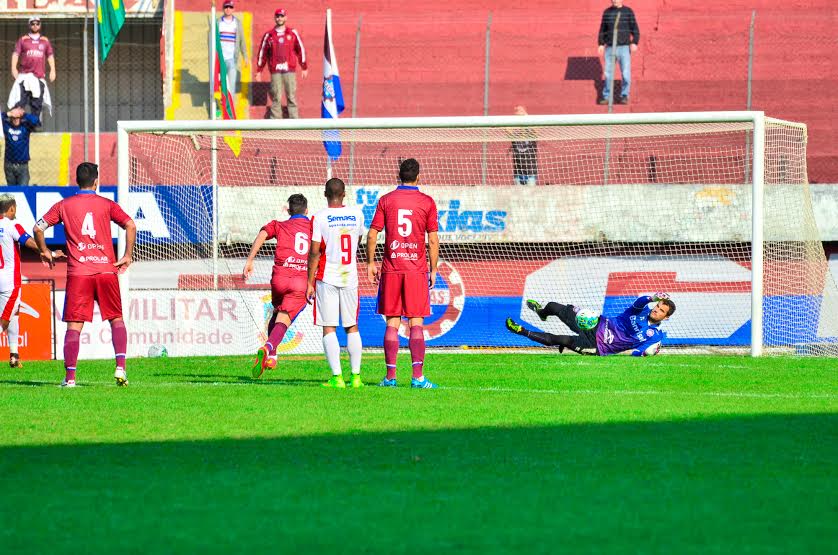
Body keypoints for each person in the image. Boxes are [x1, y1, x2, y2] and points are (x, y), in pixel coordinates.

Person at [33, 162, 136, 387]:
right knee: (116, 319)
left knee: (74, 326)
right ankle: (120, 368)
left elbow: (38, 228)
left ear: (76, 181)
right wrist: (127, 254)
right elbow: (130, 225)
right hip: (106, 270)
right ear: (96, 181)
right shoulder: (107, 204)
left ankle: (70, 379)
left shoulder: (63, 205)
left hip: (79, 272)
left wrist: (45, 251)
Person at [366, 158, 440, 389]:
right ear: (419, 176)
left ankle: (390, 378)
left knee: (392, 323)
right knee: (416, 323)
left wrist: (370, 263)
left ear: (399, 176)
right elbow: (433, 239)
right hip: (416, 270)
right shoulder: (427, 202)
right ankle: (418, 377)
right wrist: (434, 268)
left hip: (392, 268)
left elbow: (372, 234)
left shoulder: (386, 200)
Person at [306, 178, 365, 389]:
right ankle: (356, 377)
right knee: (352, 326)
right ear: (344, 194)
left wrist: (309, 281)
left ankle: (337, 378)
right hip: (350, 275)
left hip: (327, 276)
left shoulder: (319, 217)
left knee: (329, 327)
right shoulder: (357, 214)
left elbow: (314, 251)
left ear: (324, 194)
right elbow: (358, 241)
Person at [243, 194, 310, 378]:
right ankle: (268, 347)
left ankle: (272, 356)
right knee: (284, 319)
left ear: (289, 211)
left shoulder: (279, 225)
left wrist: (250, 260)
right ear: (307, 210)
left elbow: (263, 234)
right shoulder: (313, 226)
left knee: (278, 312)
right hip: (300, 280)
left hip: (279, 279)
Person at [0, 193, 65, 368]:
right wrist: (48, 253)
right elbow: (28, 241)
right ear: (11, 208)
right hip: (9, 282)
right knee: (5, 319)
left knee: (13, 314)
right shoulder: (12, 225)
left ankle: (14, 356)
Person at [506, 293, 675, 356]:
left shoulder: (655, 336)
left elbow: (639, 352)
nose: (656, 310)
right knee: (553, 306)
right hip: (595, 323)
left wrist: (646, 353)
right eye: (657, 306)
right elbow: (639, 302)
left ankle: (521, 331)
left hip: (597, 345)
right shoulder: (641, 311)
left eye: (661, 311)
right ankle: (542, 313)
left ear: (665, 318)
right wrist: (652, 298)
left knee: (559, 339)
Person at [256, 8, 308, 119]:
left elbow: (301, 49)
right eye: (278, 16)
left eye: (282, 16)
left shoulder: (292, 33)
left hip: (289, 70)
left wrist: (304, 67)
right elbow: (262, 53)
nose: (280, 18)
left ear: (286, 18)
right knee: (276, 98)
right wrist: (259, 70)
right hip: (275, 71)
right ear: (275, 18)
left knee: (291, 97)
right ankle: (276, 123)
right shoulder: (269, 35)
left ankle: (295, 122)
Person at [9, 15, 55, 118]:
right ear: (29, 25)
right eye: (32, 23)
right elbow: (15, 54)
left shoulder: (45, 40)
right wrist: (13, 68)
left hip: (38, 78)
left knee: (37, 105)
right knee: (19, 103)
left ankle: (33, 127)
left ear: (40, 25)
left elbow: (50, 56)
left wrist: (53, 70)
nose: (35, 25)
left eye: (37, 23)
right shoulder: (23, 39)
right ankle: (18, 128)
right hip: (24, 77)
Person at [597, 0, 639, 105]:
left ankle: (624, 95)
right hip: (610, 48)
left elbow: (635, 29)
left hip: (624, 47)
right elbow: (602, 29)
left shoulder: (628, 11)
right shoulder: (607, 12)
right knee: (608, 73)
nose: (614, 0)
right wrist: (601, 44)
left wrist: (634, 42)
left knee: (625, 73)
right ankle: (606, 96)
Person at [216, 1, 248, 95]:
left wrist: (245, 56)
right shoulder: (218, 22)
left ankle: (230, 108)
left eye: (230, 7)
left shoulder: (237, 23)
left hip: (232, 59)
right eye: (226, 7)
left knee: (231, 86)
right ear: (223, 8)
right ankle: (219, 108)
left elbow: (242, 40)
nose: (228, 9)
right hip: (220, 59)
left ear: (233, 9)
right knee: (219, 85)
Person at [2, 107, 39, 185]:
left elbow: (36, 121)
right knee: (12, 192)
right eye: (14, 118)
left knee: (23, 189)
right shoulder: (6, 126)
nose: (16, 120)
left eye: (18, 118)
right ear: (11, 118)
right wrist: (9, 113)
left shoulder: (25, 127)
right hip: (9, 165)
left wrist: (24, 114)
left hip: (22, 166)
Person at [510, 105, 538, 186]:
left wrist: (526, 117)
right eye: (516, 112)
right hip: (518, 172)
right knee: (518, 195)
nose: (519, 114)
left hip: (531, 171)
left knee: (531, 195)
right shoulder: (513, 130)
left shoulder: (531, 129)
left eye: (521, 111)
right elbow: (506, 129)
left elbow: (536, 130)